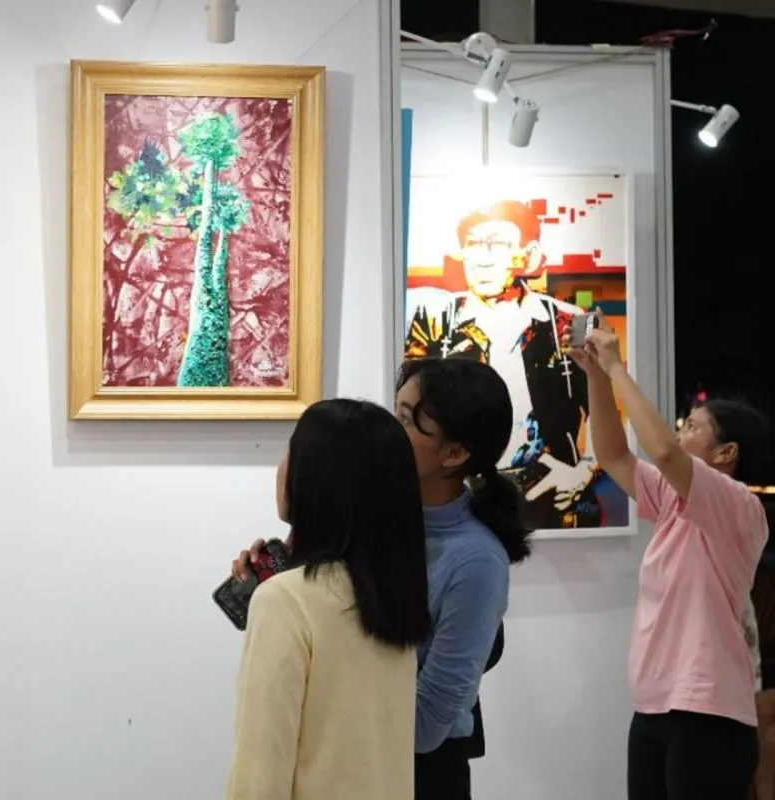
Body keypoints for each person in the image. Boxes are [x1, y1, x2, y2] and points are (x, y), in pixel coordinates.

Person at [232, 359, 532, 800]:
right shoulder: (375, 514)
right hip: (353, 757)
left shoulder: (477, 560)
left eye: (407, 421)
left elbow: (427, 724)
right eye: (396, 410)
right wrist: (286, 589)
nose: (391, 429)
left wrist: (325, 681)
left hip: (419, 772)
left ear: (454, 454)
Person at [566, 324, 770, 800]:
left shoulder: (738, 505)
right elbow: (613, 455)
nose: (679, 433)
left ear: (726, 453)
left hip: (710, 713)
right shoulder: (672, 499)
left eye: (692, 427)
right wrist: (597, 376)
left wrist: (618, 368)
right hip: (654, 705)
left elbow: (659, 450)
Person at [225, 398, 433, 800]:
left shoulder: (284, 602)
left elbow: (260, 775)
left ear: (315, 478)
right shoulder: (395, 593)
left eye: (290, 452)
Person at [405, 200, 598, 530]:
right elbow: (410, 411)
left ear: (527, 255)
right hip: (460, 493)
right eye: (473, 244)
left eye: (497, 244)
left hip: (553, 489)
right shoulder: (436, 321)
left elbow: (602, 406)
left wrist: (585, 469)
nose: (482, 258)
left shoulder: (570, 321)